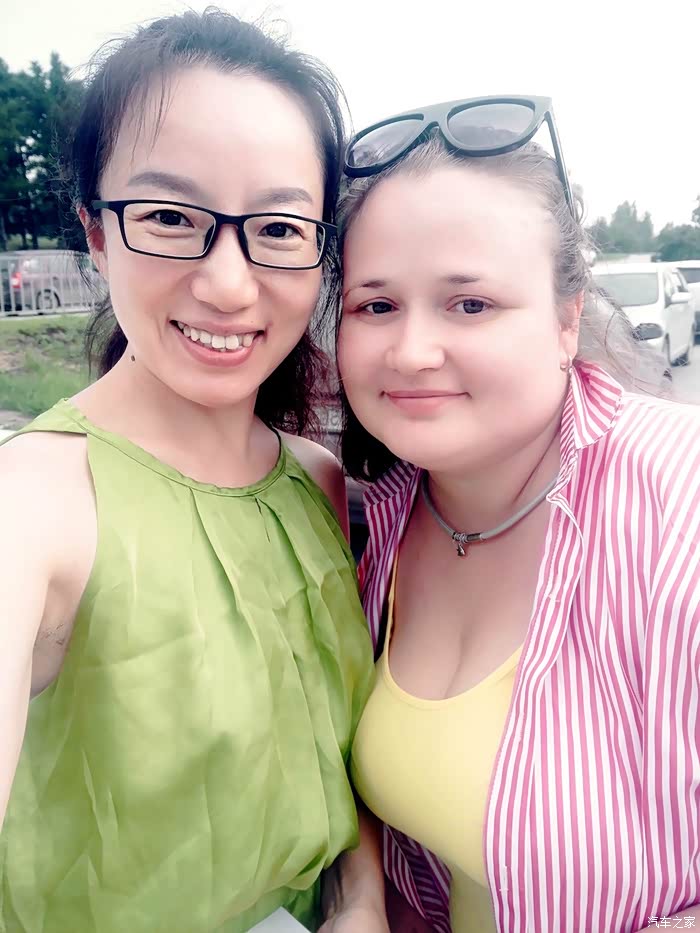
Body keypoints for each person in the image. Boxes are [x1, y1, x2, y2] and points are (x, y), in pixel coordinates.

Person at [0, 11, 383, 932]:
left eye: (279, 228)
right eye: (171, 217)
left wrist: (363, 895)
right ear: (96, 232)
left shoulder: (316, 480)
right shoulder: (36, 502)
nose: (228, 283)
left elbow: (333, 751)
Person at [335, 97, 700, 932]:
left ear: (568, 319)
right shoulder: (377, 521)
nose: (411, 352)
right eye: (376, 306)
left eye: (470, 304)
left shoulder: (680, 503)